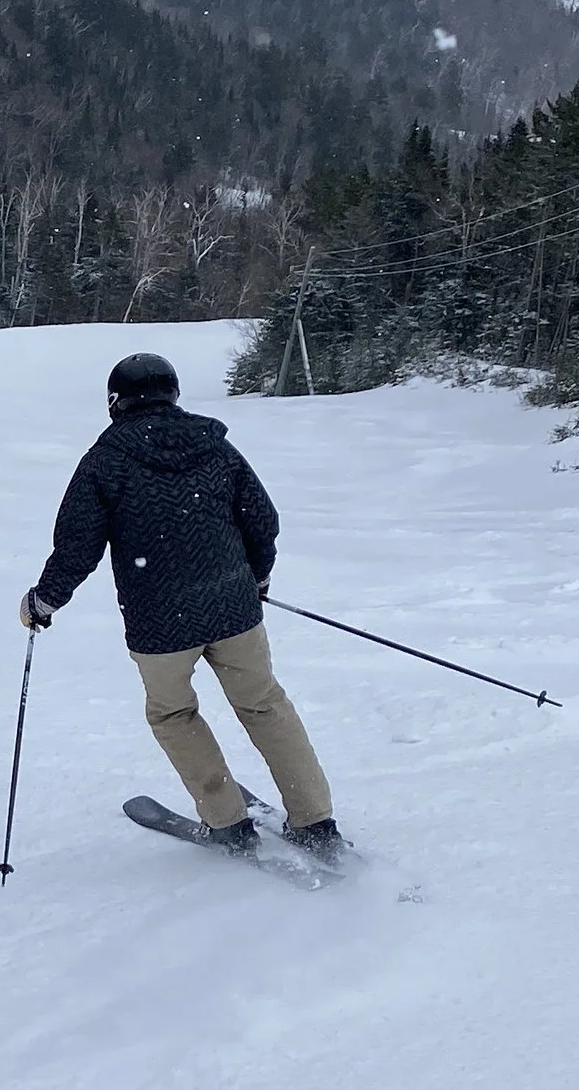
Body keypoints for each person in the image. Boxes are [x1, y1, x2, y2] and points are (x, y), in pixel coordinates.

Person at [18, 351, 342, 857]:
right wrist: (257, 576)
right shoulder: (216, 448)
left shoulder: (105, 461)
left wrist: (43, 601)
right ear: (173, 393)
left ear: (115, 401)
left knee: (174, 715)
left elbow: (77, 546)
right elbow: (262, 520)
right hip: (233, 608)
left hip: (160, 623)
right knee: (264, 704)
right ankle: (314, 819)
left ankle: (227, 822)